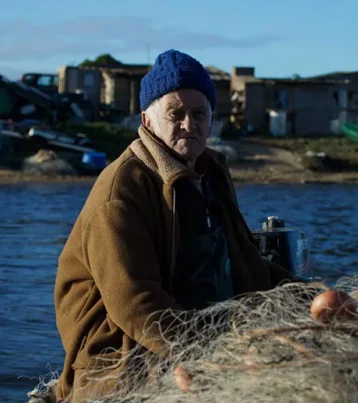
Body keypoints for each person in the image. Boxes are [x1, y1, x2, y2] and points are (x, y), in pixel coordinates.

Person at [53, 49, 295, 401]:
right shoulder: (123, 189)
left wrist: (306, 294)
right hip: (124, 363)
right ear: (147, 121)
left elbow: (245, 263)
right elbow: (136, 304)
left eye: (199, 113)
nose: (189, 124)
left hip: (202, 338)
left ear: (211, 120)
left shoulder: (210, 176)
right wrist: (212, 356)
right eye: (176, 113)